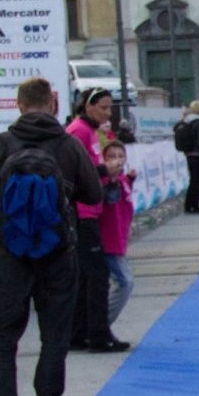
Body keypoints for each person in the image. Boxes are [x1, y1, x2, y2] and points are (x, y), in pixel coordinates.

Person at [0, 78, 102, 396]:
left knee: (4, 334)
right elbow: (93, 194)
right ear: (53, 104)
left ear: (19, 104)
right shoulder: (68, 145)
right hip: (58, 251)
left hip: (11, 253)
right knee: (55, 332)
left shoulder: (2, 145)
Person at [66, 89, 130, 353]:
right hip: (83, 211)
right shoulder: (78, 131)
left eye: (109, 108)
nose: (107, 113)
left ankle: (80, 332)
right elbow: (74, 170)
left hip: (92, 208)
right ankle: (98, 335)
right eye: (102, 108)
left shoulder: (91, 132)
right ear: (88, 106)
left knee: (86, 276)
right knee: (97, 275)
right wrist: (105, 170)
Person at [99, 140, 136, 328]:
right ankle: (102, 323)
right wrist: (112, 180)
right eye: (111, 157)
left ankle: (99, 323)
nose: (117, 161)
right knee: (125, 282)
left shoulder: (123, 180)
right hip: (109, 241)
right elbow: (111, 199)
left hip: (119, 239)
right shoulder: (108, 181)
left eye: (120, 156)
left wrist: (129, 180)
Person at [174, 101, 199, 214]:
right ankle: (195, 205)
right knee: (197, 182)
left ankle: (188, 205)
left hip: (189, 154)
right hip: (197, 155)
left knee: (193, 181)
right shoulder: (198, 122)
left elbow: (176, 129)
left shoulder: (186, 121)